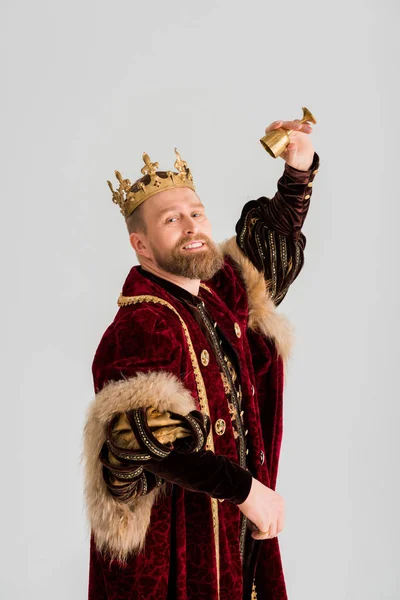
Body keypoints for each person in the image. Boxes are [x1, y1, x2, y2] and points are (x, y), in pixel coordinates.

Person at [83, 118, 319, 600]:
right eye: (172, 219)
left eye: (197, 213)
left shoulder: (215, 293)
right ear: (141, 245)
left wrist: (297, 172)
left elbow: (266, 253)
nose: (193, 228)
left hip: (234, 546)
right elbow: (147, 441)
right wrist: (249, 491)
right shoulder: (140, 326)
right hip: (175, 558)